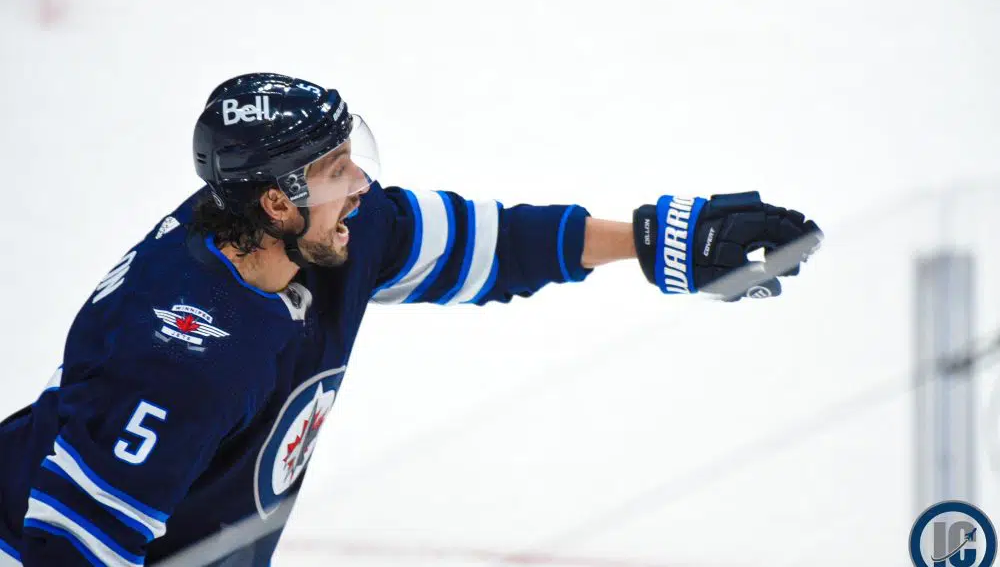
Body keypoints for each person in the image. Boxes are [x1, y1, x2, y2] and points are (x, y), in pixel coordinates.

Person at [0, 73, 822, 566]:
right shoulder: (183, 357)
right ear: (277, 203)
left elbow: (482, 244)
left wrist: (648, 239)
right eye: (335, 170)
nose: (360, 184)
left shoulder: (326, 237)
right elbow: (73, 546)